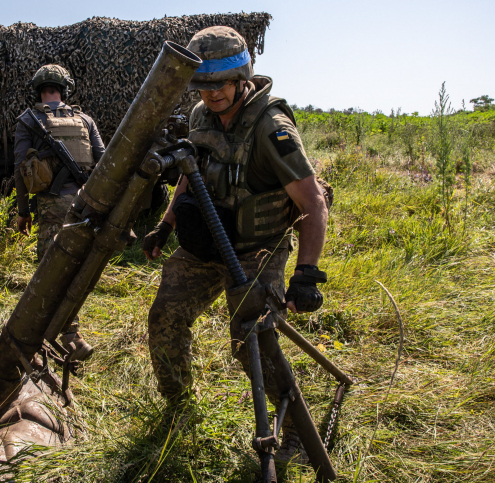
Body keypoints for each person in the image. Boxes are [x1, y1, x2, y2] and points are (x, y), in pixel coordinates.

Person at [141, 26, 329, 465]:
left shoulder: (271, 126)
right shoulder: (200, 117)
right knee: (165, 316)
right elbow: (191, 174)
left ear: (241, 75)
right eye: (202, 86)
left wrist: (307, 274)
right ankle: (178, 405)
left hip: (257, 248)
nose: (211, 95)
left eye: (220, 84)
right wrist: (166, 225)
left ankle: (297, 438)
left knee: (254, 340)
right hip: (207, 240)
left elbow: (312, 201)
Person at [13, 64, 105, 361]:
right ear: (65, 89)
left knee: (49, 271)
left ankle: (57, 335)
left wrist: (23, 212)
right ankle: (68, 331)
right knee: (78, 270)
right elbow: (104, 161)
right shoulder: (85, 120)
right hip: (86, 204)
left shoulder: (28, 120)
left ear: (38, 89)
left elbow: (20, 171)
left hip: (52, 206)